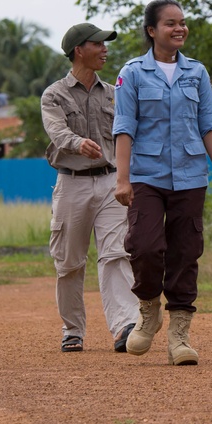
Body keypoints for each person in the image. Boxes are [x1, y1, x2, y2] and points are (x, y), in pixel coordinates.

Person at [112, 0, 212, 366]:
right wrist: (122, 179)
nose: (179, 28)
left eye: (182, 22)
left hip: (189, 175)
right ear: (152, 31)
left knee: (185, 251)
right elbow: (124, 127)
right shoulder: (132, 73)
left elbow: (208, 124)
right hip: (145, 176)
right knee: (145, 246)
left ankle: (179, 336)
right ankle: (149, 309)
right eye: (170, 23)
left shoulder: (197, 73)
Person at [41, 23, 139, 353]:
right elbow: (56, 132)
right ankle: (73, 329)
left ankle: (126, 325)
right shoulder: (54, 94)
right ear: (79, 50)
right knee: (69, 263)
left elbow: (129, 134)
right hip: (71, 184)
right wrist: (76, 143)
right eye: (98, 44)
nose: (105, 50)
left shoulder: (115, 93)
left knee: (116, 253)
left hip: (112, 181)